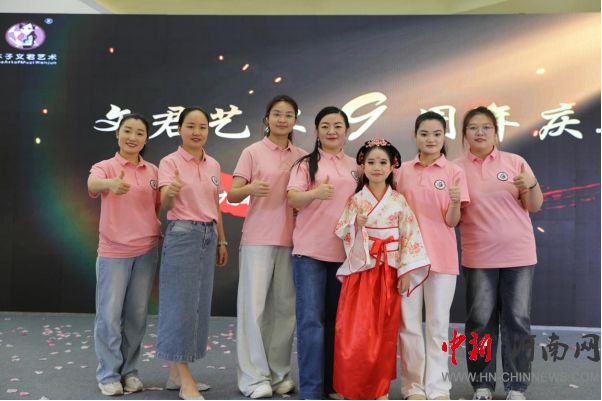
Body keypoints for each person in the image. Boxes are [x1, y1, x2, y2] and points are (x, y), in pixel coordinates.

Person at [454, 106, 543, 401]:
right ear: (464, 133)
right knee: (479, 322)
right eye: (473, 127)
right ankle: (482, 384)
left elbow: (535, 204)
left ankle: (517, 386)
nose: (480, 132)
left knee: (518, 320)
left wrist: (530, 185)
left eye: (486, 127)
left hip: (519, 255)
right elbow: (452, 215)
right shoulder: (455, 169)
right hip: (479, 257)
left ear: (495, 132)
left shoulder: (515, 162)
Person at [333, 138, 430, 400]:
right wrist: (356, 224)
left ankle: (380, 389)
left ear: (392, 167)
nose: (377, 167)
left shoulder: (398, 200)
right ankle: (354, 387)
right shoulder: (356, 200)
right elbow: (342, 230)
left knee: (386, 332)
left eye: (383, 162)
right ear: (363, 166)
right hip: (362, 270)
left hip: (389, 270)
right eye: (371, 162)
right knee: (356, 330)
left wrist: (405, 271)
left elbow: (410, 234)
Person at [227, 95, 306, 399]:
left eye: (288, 115)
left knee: (284, 310)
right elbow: (233, 194)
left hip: (293, 240)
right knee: (254, 310)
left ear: (295, 120)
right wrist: (250, 188)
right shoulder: (252, 151)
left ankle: (279, 374)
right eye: (277, 114)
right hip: (258, 238)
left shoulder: (302, 156)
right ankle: (253, 378)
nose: (282, 119)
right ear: (267, 119)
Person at [156, 107, 228, 401]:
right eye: (190, 126)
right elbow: (164, 204)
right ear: (179, 129)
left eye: (202, 127)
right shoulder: (169, 162)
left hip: (209, 236)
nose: (197, 132)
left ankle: (176, 374)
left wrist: (222, 241)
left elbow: (215, 205)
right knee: (179, 305)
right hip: (183, 234)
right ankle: (184, 378)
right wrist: (172, 190)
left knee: (197, 305)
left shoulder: (213, 164)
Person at [397, 111, 470, 400]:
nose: (430, 139)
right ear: (415, 136)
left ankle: (438, 387)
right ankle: (413, 387)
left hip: (442, 259)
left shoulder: (454, 172)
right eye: (424, 133)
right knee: (409, 326)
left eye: (437, 134)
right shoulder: (401, 171)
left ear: (444, 137)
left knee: (438, 326)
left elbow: (453, 221)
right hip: (407, 261)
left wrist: (454, 203)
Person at [287, 106, 358, 400]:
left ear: (347, 131)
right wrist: (315, 193)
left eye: (338, 126)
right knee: (310, 323)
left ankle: (332, 385)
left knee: (335, 324)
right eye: (325, 125)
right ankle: (312, 390)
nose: (332, 131)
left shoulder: (356, 165)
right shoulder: (305, 164)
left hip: (344, 255)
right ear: (316, 131)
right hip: (310, 253)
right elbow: (293, 198)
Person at [87, 113, 161, 396]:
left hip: (146, 251)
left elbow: (159, 204)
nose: (133, 137)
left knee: (137, 316)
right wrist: (110, 185)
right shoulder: (105, 167)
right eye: (127, 131)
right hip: (114, 252)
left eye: (140, 133)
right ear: (117, 134)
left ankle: (129, 371)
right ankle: (108, 374)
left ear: (146, 139)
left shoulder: (153, 171)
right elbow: (92, 184)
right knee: (109, 315)